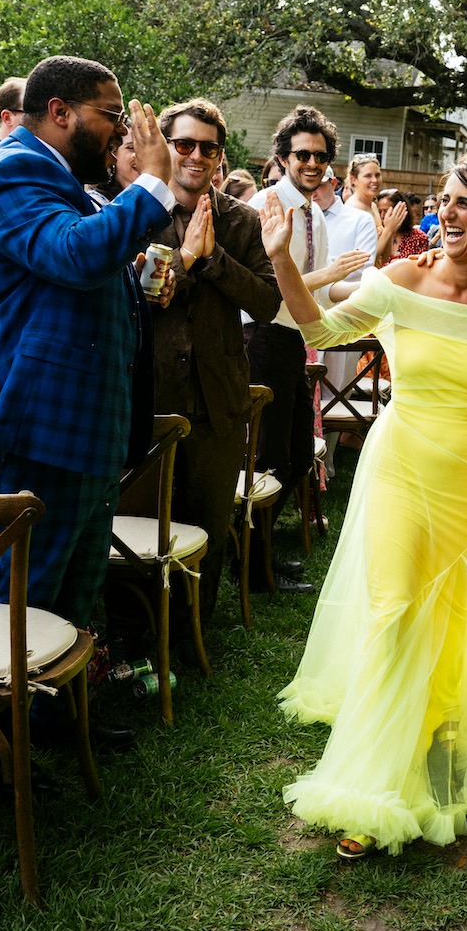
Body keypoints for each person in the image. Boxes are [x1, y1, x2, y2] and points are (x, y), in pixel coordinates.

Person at [264, 157, 467, 860]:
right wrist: (281, 262)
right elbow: (321, 332)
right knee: (395, 607)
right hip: (399, 464)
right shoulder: (400, 280)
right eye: (443, 201)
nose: (446, 214)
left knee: (453, 607)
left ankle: (437, 716)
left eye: (465, 204)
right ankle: (375, 780)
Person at [0, 56, 174, 631]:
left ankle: (63, 720)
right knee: (25, 603)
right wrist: (152, 181)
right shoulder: (11, 169)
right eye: (111, 115)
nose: (123, 131)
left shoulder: (67, 183)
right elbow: (75, 256)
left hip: (78, 430)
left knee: (73, 601)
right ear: (59, 112)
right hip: (32, 428)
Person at [150, 98, 281, 620]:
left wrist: (213, 258)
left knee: (206, 519)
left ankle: (195, 626)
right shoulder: (140, 211)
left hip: (218, 397)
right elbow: (144, 294)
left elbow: (267, 302)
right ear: (167, 148)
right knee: (146, 518)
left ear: (220, 157)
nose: (196, 155)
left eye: (208, 147)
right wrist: (185, 259)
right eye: (184, 144)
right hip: (151, 391)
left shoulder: (243, 222)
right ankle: (144, 625)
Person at [246, 108, 337, 585]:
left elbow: (315, 296)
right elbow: (270, 288)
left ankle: (252, 549)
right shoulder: (265, 206)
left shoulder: (315, 215)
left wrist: (380, 290)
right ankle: (254, 563)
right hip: (259, 340)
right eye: (303, 154)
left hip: (295, 343)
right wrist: (331, 276)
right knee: (268, 459)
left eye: (321, 156)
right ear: (282, 157)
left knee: (300, 456)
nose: (312, 163)